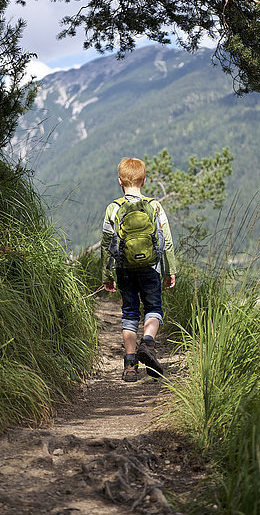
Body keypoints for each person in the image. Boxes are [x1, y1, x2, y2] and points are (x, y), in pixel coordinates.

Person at [101, 157, 176, 382]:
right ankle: (149, 344)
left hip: (124, 269)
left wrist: (107, 274)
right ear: (143, 180)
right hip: (151, 268)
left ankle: (130, 365)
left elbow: (106, 244)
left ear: (120, 181)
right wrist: (169, 270)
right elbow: (167, 241)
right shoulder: (154, 206)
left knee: (130, 313)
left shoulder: (113, 208)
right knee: (153, 308)